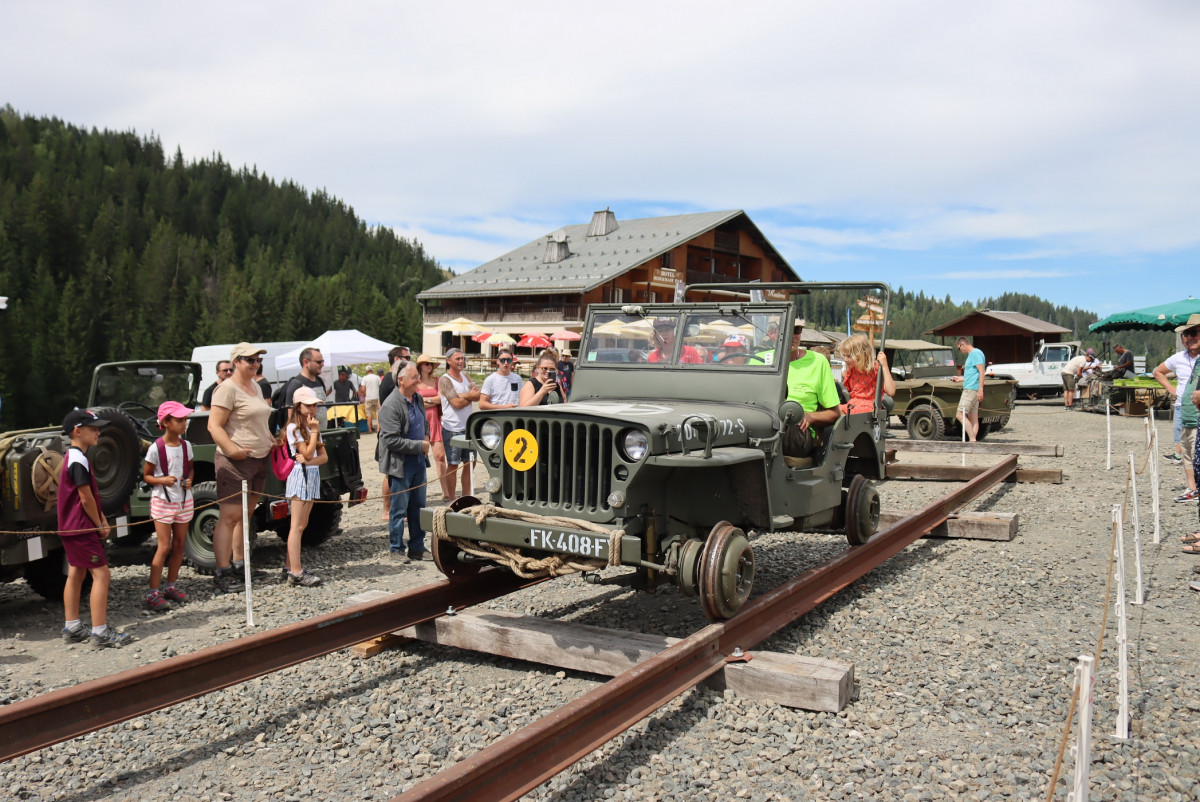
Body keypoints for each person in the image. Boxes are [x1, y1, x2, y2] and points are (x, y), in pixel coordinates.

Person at [57, 409, 132, 648]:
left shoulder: (72, 456)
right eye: (93, 428)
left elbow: (87, 498)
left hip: (72, 527)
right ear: (77, 431)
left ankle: (73, 626)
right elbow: (85, 498)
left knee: (76, 573)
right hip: (81, 528)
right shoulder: (79, 459)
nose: (98, 432)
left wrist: (100, 516)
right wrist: (98, 522)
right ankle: (99, 632)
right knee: (102, 575)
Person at [207, 343, 275, 594]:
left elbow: (259, 417)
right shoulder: (226, 389)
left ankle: (239, 564)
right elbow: (214, 426)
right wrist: (233, 450)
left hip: (258, 457)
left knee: (245, 515)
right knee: (229, 517)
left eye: (257, 359)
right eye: (249, 359)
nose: (255, 363)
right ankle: (222, 571)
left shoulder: (255, 386)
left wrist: (269, 437)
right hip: (236, 461)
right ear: (236, 361)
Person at [142, 401, 195, 612]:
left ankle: (170, 585)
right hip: (163, 502)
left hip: (183, 499)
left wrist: (189, 480)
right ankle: (152, 592)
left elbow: (190, 469)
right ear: (165, 422)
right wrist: (162, 480)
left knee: (180, 544)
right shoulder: (156, 448)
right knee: (164, 546)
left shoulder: (186, 445)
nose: (184, 423)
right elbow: (146, 476)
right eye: (180, 420)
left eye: (185, 419)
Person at [379, 363, 431, 561]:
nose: (419, 380)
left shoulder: (416, 397)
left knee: (418, 506)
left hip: (417, 460)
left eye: (418, 376)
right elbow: (390, 440)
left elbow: (423, 420)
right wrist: (420, 445)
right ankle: (396, 549)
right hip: (400, 463)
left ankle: (417, 547)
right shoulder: (391, 405)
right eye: (415, 377)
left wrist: (425, 435)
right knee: (399, 508)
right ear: (401, 380)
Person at [281, 387, 327, 586]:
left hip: (310, 474)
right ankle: (296, 572)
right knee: (297, 526)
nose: (312, 409)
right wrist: (314, 435)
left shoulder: (311, 428)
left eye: (314, 405)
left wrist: (308, 461)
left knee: (302, 524)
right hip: (300, 476)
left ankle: (290, 567)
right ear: (298, 407)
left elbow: (322, 458)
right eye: (308, 405)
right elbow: (309, 453)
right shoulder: (294, 428)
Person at [781, 322, 841, 462]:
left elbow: (835, 413)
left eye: (797, 330)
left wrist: (810, 417)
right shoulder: (759, 359)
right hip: (765, 425)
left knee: (785, 419)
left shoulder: (817, 362)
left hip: (798, 432)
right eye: (786, 328)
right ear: (772, 333)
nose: (792, 335)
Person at [1154, 315, 1200, 468]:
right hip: (1182, 406)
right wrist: (1172, 390)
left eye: (1193, 333)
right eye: (1185, 334)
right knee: (1185, 447)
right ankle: (1192, 487)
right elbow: (1158, 372)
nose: (1188, 338)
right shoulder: (1178, 357)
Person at [439, 348, 481, 502]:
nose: (461, 361)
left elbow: (477, 395)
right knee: (453, 464)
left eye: (462, 358)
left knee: (470, 463)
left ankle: (465, 495)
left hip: (468, 427)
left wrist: (464, 396)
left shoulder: (466, 376)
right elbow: (455, 403)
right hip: (452, 428)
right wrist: (469, 396)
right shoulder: (445, 379)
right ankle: (451, 497)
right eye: (457, 359)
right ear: (448, 361)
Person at [415, 354, 451, 503]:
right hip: (420, 421)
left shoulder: (436, 381)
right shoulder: (415, 382)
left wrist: (425, 400)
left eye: (430, 364)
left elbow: (441, 399)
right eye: (426, 364)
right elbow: (414, 400)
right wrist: (431, 401)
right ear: (420, 366)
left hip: (435, 420)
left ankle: (446, 490)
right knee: (419, 459)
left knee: (440, 457)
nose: (429, 366)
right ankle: (418, 492)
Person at [837, 334, 896, 414]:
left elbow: (891, 391)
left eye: (849, 356)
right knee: (833, 410)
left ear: (861, 355)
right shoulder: (850, 371)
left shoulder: (875, 369)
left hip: (868, 407)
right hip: (852, 405)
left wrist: (884, 366)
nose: (845, 359)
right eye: (844, 356)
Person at [279, 348, 330, 428]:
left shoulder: (320, 381)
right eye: (319, 362)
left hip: (322, 434)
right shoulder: (296, 384)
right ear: (306, 362)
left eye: (323, 361)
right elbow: (290, 417)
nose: (322, 364)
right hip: (305, 436)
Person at [951, 336, 985, 442]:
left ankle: (972, 439)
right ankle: (972, 441)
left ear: (963, 344)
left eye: (959, 348)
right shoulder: (973, 354)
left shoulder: (975, 353)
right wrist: (961, 379)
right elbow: (973, 374)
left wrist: (981, 389)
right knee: (973, 416)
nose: (960, 351)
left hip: (971, 389)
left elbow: (982, 372)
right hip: (972, 387)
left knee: (960, 414)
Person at [361, 367, 382, 434]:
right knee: (378, 412)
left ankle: (370, 429)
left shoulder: (364, 378)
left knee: (369, 413)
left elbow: (363, 389)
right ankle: (378, 428)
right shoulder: (377, 377)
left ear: (366, 371)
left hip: (368, 398)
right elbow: (380, 386)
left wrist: (365, 395)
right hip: (377, 397)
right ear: (372, 371)